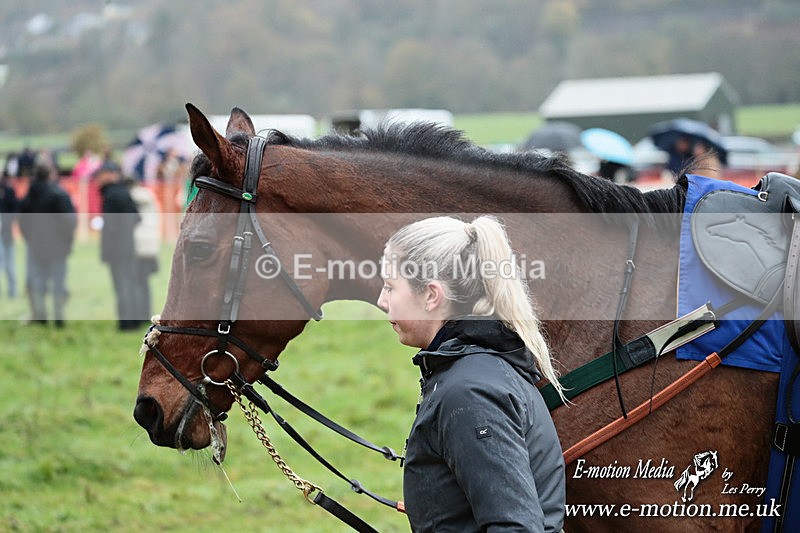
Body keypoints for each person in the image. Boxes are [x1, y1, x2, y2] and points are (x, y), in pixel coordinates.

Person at [377, 215, 566, 532]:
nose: (381, 301)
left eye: (390, 287)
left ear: (432, 295)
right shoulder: (471, 372)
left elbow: (515, 527)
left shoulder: (471, 392)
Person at [18, 162, 77, 326]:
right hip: (58, 247)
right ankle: (59, 318)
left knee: (37, 284)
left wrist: (30, 238)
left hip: (36, 246)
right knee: (58, 284)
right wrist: (67, 241)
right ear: (51, 175)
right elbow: (69, 221)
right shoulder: (59, 195)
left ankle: (40, 317)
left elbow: (22, 222)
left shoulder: (29, 196)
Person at [95, 161, 141, 331]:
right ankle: (134, 320)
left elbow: (110, 227)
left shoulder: (111, 195)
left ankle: (126, 324)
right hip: (129, 246)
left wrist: (107, 250)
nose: (97, 180)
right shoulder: (124, 191)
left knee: (122, 286)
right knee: (129, 284)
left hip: (117, 249)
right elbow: (137, 218)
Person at [127, 177, 160, 322]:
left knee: (135, 283)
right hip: (150, 246)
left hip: (137, 246)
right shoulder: (150, 197)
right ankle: (146, 313)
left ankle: (137, 315)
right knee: (145, 284)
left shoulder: (130, 199)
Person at [0, 174, 19, 298]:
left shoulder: (8, 190)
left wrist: (7, 220)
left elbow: (15, 208)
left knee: (10, 264)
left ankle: (13, 291)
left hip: (6, 232)